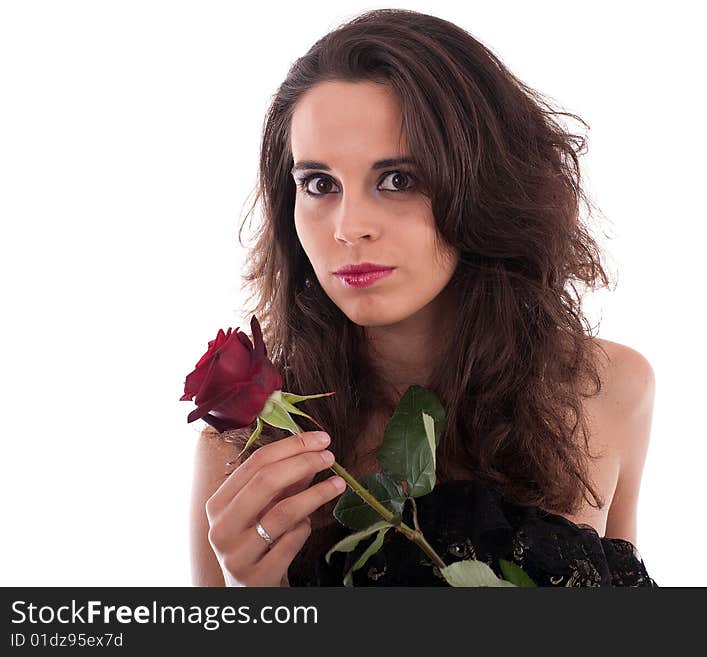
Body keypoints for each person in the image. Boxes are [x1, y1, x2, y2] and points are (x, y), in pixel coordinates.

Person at [190, 8, 657, 587]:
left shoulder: (609, 389)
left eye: (398, 180)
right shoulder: (248, 450)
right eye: (319, 184)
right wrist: (252, 598)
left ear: (484, 187)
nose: (348, 226)